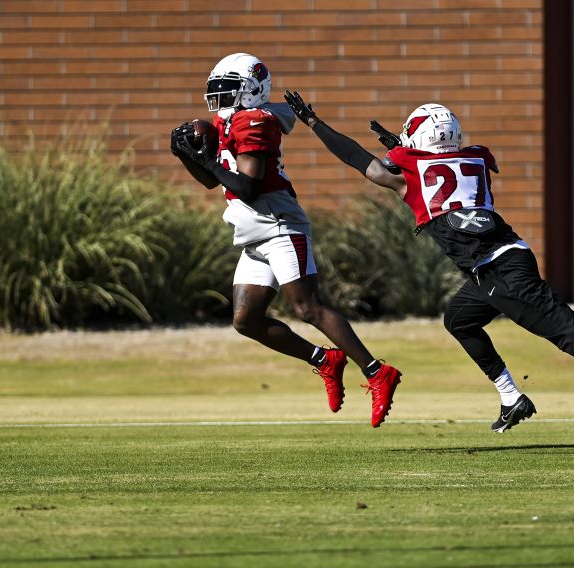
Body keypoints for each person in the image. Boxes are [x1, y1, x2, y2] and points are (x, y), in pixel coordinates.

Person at [283, 91, 574, 451]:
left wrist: (317, 125)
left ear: (417, 141)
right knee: (459, 319)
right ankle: (512, 397)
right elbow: (439, 168)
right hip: (503, 260)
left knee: (571, 337)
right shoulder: (474, 157)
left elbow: (359, 160)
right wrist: (403, 147)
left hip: (501, 272)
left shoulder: (411, 173)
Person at [168, 54, 402, 427]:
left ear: (251, 91)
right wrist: (187, 156)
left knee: (307, 308)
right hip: (252, 234)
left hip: (279, 227)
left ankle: (377, 372)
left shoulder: (256, 121)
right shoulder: (230, 120)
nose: (220, 99)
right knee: (246, 320)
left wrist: (209, 161)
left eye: (228, 90)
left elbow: (246, 185)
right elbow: (213, 182)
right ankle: (324, 360)